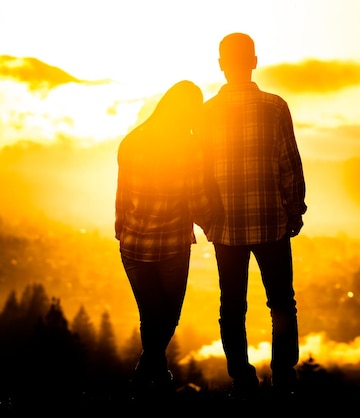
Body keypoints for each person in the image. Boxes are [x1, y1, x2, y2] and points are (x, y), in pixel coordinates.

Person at [199, 33, 307, 400]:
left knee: (232, 306)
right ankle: (283, 376)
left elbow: (198, 173)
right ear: (255, 61)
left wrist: (207, 219)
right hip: (272, 220)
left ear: (221, 65)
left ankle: (242, 381)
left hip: (226, 227)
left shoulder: (207, 112)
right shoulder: (275, 106)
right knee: (281, 302)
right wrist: (295, 211)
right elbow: (289, 163)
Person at [115, 80, 212, 400]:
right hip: (170, 244)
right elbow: (198, 200)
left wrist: (122, 229)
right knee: (167, 315)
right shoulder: (189, 145)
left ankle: (152, 374)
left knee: (151, 315)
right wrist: (213, 225)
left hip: (133, 244)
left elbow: (122, 195)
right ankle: (148, 372)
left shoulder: (132, 140)